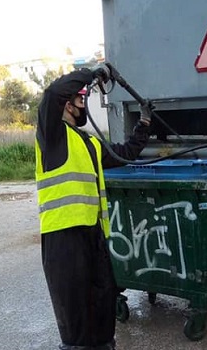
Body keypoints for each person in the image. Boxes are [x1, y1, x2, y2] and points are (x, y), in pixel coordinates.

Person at [35, 67, 152, 350]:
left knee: (102, 306)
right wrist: (92, 72)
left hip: (93, 236)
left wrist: (145, 124)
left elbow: (123, 154)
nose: (83, 103)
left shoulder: (87, 142)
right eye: (80, 98)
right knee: (76, 323)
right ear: (67, 103)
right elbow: (53, 92)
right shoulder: (52, 136)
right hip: (63, 240)